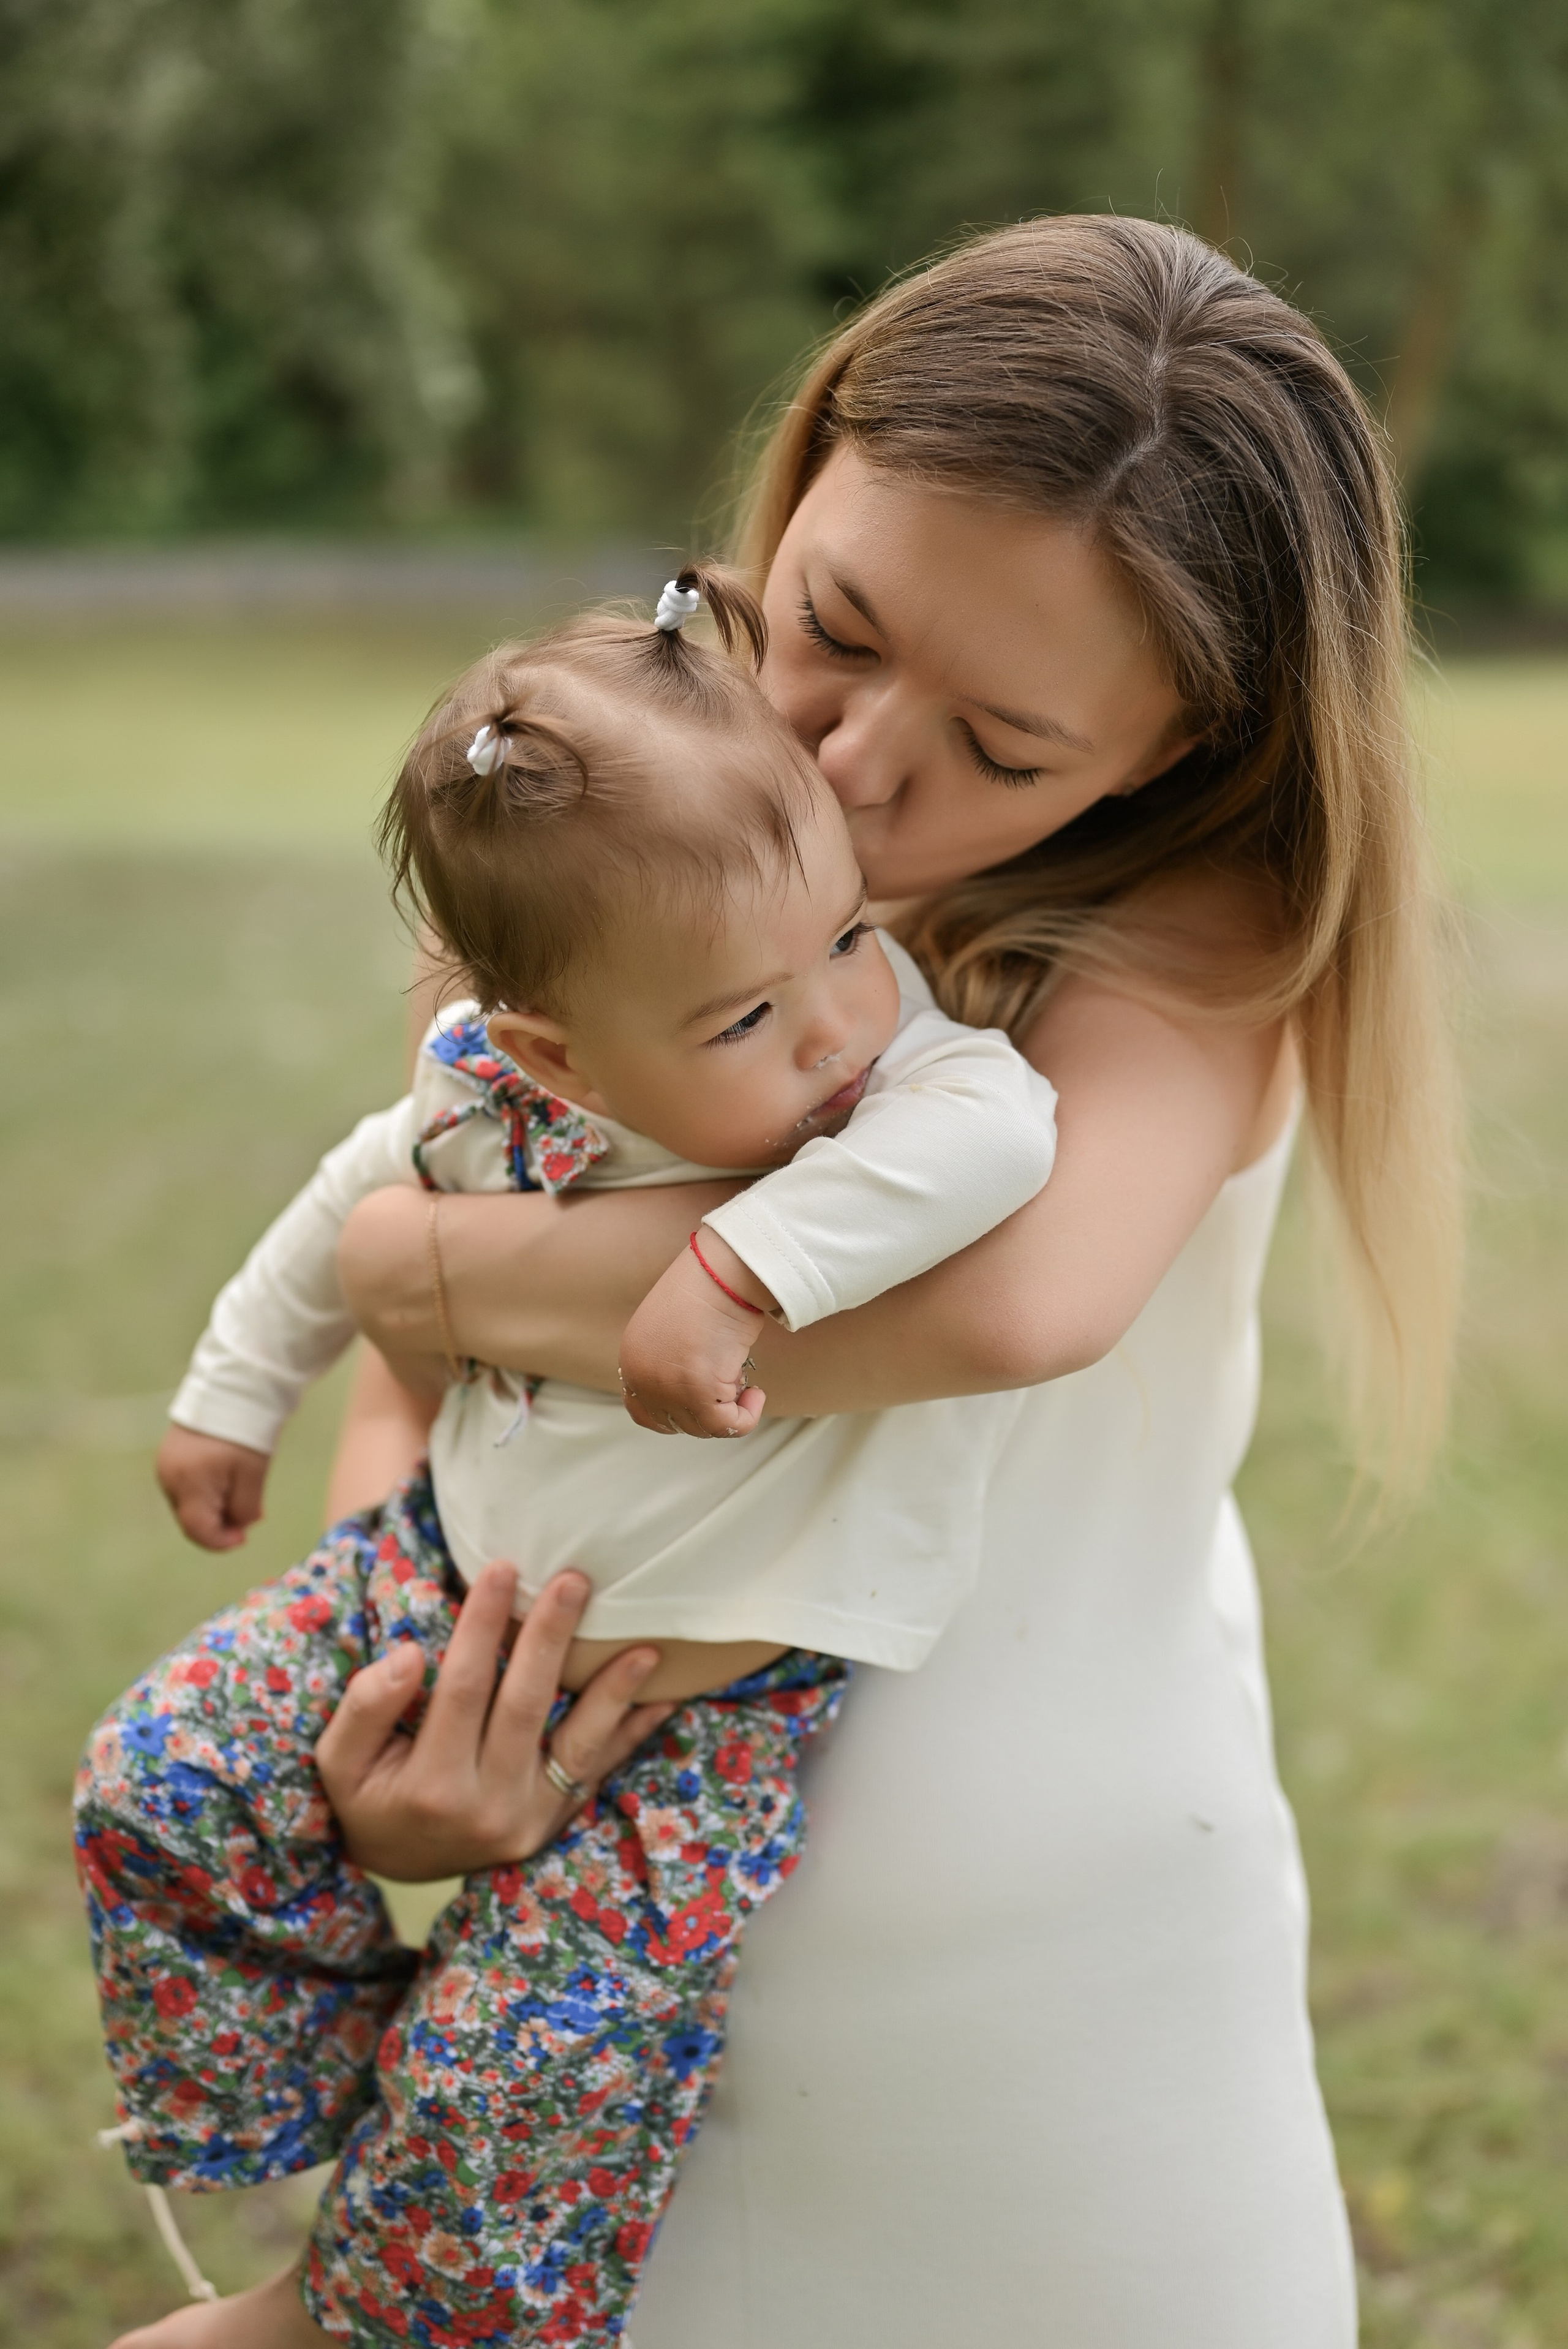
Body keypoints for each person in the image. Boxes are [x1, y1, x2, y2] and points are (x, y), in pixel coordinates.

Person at [310, 216, 1460, 2348]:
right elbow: (435, 1413)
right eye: (836, 624)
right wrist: (397, 1703)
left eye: (1005, 749)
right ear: (812, 455)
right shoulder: (598, 831)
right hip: (600, 1999)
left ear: (1177, 754)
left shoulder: (1196, 935)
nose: (850, 762)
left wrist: (417, 1264)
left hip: (1054, 2055)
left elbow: (1014, 1299)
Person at [80, 572, 1057, 2345]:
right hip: (451, 1567)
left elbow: (1000, 1133)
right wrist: (235, 1393)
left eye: (845, 938)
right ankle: (298, 2096)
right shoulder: (487, 1085)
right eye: (747, 1020)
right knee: (162, 1774)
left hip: (704, 1683)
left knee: (536, 2056)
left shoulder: (897, 1078)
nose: (838, 1022)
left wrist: (737, 1263)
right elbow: (347, 1209)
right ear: (554, 1047)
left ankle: (396, 2289)